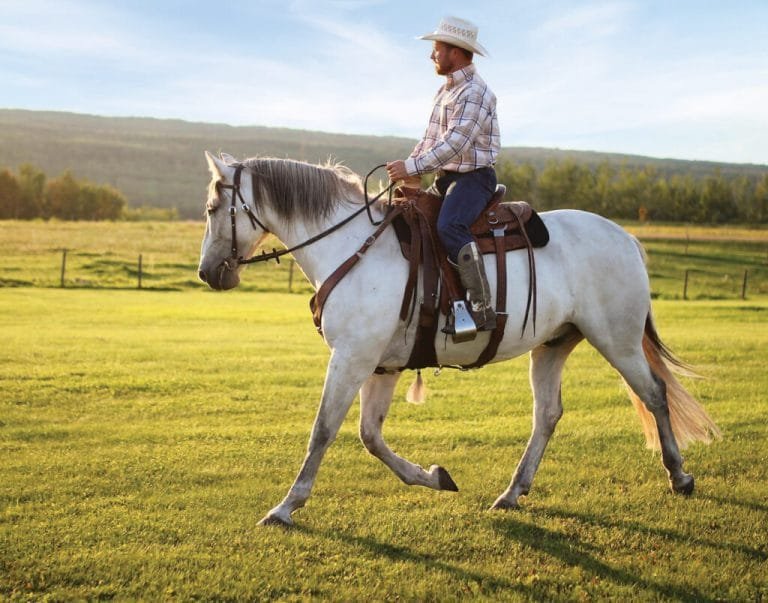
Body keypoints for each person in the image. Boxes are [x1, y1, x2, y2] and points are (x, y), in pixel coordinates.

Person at [386, 16, 500, 332]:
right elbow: (430, 139)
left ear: (455, 52)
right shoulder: (444, 92)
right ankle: (436, 303)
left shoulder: (476, 92)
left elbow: (454, 144)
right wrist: (406, 169)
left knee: (450, 225)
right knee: (410, 219)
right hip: (446, 180)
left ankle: (481, 309)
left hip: (474, 178)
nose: (431, 55)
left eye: (436, 49)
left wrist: (411, 168)